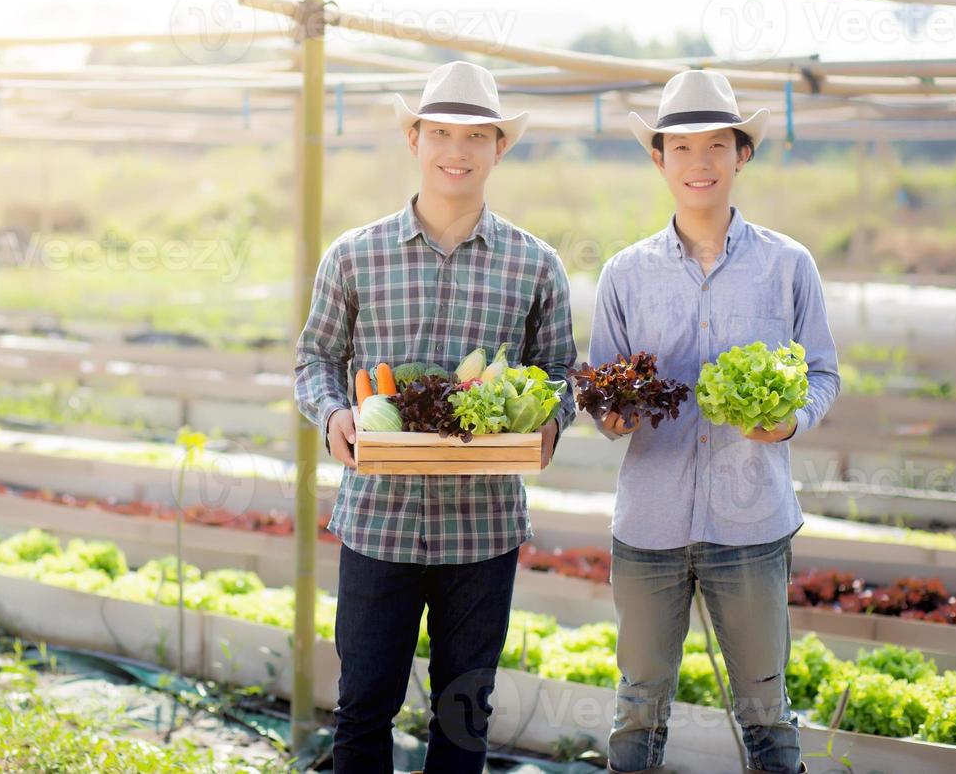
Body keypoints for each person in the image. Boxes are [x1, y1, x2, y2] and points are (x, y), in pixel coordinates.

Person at [294, 59, 577, 773]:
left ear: (498, 148)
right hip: (378, 519)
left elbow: (565, 373)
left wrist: (549, 423)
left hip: (482, 526)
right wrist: (334, 417)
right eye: (442, 132)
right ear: (415, 139)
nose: (458, 150)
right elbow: (314, 362)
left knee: (464, 716)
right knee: (362, 708)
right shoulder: (354, 257)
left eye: (476, 136)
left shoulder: (534, 265)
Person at [589, 69, 840, 774]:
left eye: (716, 147)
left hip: (751, 525)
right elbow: (602, 396)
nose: (699, 163)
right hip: (649, 526)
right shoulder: (624, 275)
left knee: (766, 711)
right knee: (638, 707)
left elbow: (822, 372)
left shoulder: (788, 266)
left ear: (742, 155)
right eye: (681, 148)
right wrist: (609, 417)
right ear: (659, 159)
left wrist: (790, 422)